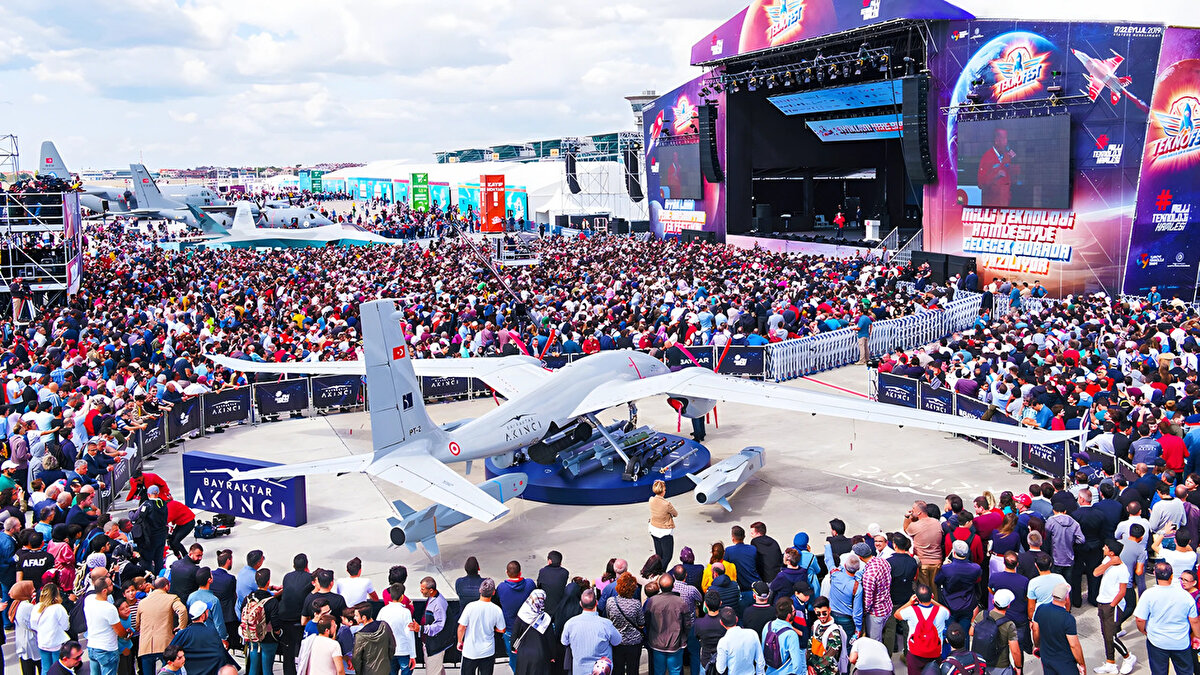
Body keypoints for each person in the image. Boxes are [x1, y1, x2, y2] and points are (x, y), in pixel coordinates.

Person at [1135, 562, 1200, 675]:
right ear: (1171, 576)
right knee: (1185, 672)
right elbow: (1194, 620)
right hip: (1181, 642)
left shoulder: (1148, 594)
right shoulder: (1185, 596)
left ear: (1155, 574)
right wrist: (1198, 636)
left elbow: (1140, 619)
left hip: (1157, 642)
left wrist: (1144, 631)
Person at [561, 588, 622, 675]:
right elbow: (617, 641)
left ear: (580, 604)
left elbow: (564, 642)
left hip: (579, 671)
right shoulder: (606, 624)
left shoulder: (570, 623)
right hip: (602, 671)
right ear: (596, 603)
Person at [1093, 539, 1132, 675]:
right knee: (1106, 635)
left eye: (1105, 547)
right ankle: (1111, 663)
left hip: (1112, 606)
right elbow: (1095, 573)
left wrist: (1112, 605)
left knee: (1111, 637)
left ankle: (1128, 657)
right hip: (1102, 602)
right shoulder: (1107, 561)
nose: (1103, 548)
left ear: (1111, 552)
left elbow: (1122, 591)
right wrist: (1109, 563)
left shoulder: (1123, 569)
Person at [137, 576, 188, 675]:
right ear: (167, 586)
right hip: (165, 645)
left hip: (145, 646)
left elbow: (137, 624)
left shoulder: (142, 602)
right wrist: (181, 628)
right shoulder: (172, 598)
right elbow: (182, 610)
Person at [168, 601, 236, 675]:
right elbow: (221, 654)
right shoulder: (212, 633)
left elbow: (170, 653)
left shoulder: (183, 634)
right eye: (206, 611)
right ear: (203, 616)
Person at [1032, 583, 1085, 675]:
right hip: (1065, 662)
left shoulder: (1040, 609)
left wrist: (1037, 646)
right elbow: (1074, 645)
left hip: (1046, 657)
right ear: (1067, 597)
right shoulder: (1068, 619)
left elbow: (1035, 630)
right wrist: (1081, 664)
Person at [894, 585, 948, 675]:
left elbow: (896, 614)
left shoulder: (910, 611)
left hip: (915, 653)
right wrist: (932, 600)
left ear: (917, 598)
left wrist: (909, 602)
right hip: (935, 652)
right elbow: (947, 612)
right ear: (931, 596)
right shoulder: (941, 611)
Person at [457, 578, 505, 675]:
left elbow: (462, 627)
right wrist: (493, 628)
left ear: (480, 590)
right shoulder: (497, 610)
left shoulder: (470, 607)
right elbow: (502, 629)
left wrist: (459, 641)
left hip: (470, 652)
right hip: (488, 652)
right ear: (493, 593)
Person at [969, 589, 1021, 675]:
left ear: (993, 602)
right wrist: (1018, 667)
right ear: (1008, 606)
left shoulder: (982, 615)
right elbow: (1015, 651)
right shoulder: (1009, 624)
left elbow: (971, 632)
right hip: (1001, 666)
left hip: (981, 662)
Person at [496, 560, 535, 670]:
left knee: (514, 659)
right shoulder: (530, 584)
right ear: (520, 572)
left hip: (510, 631)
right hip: (528, 629)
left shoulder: (502, 588)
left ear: (507, 573)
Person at [242, 568, 281, 675]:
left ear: (256, 581)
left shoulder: (248, 598)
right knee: (267, 670)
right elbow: (275, 621)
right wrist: (278, 632)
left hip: (253, 637)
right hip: (268, 638)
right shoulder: (272, 601)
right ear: (268, 581)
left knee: (253, 669)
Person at [604, 573, 644, 675]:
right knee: (633, 669)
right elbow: (641, 622)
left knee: (617, 669)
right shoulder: (636, 604)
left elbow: (609, 618)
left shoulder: (610, 602)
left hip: (617, 641)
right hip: (634, 642)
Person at [413, 576, 451, 675]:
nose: (420, 591)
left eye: (422, 589)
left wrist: (421, 629)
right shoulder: (432, 597)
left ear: (430, 590)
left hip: (435, 646)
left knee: (432, 672)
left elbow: (439, 626)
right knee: (437, 670)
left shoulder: (439, 604)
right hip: (430, 644)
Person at [512, 589, 555, 675]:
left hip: (524, 655)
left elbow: (515, 634)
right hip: (541, 655)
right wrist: (553, 656)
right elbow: (551, 640)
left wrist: (513, 647)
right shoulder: (545, 619)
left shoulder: (522, 614)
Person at [376, 583, 415, 675]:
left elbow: (378, 631)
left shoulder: (383, 611)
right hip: (404, 650)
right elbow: (409, 633)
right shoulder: (406, 612)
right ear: (402, 597)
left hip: (388, 650)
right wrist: (413, 655)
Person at [32, 582, 70, 675]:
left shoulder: (36, 607)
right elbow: (66, 626)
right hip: (56, 642)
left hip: (42, 641)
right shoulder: (58, 608)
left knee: (45, 668)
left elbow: (33, 625)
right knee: (58, 669)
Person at [978, 127, 1019, 207]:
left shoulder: (1009, 155)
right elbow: (981, 184)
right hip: (990, 205)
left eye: (1006, 138)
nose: (1005, 141)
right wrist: (995, 177)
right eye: (1003, 138)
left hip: (1005, 203)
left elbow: (1016, 178)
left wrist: (1014, 166)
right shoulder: (987, 157)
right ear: (996, 140)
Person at [351, 602, 395, 675]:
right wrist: (386, 661)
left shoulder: (360, 636)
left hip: (367, 671)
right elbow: (392, 647)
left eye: (356, 616)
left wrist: (359, 672)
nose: (354, 618)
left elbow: (356, 658)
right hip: (385, 669)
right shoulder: (384, 626)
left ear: (364, 617)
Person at [763, 598, 805, 675]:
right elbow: (797, 665)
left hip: (769, 671)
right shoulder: (791, 634)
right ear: (789, 616)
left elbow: (764, 650)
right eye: (793, 611)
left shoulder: (768, 626)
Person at [807, 597, 848, 675]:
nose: (821, 616)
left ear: (829, 610)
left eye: (824, 612)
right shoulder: (816, 624)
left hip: (828, 672)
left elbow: (829, 657)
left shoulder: (834, 632)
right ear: (815, 611)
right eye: (818, 613)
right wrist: (809, 664)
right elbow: (810, 645)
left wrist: (814, 669)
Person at [11, 580, 38, 675]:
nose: (34, 590)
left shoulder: (16, 603)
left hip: (22, 643)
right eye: (31, 589)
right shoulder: (27, 607)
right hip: (31, 643)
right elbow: (35, 624)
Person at [648, 480, 678, 566]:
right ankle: (660, 573)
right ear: (662, 491)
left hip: (653, 529)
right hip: (664, 531)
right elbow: (675, 514)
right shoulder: (666, 504)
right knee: (667, 556)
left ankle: (657, 571)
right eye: (665, 490)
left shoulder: (651, 500)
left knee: (659, 555)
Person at [537, 550, 570, 615]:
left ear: (549, 561)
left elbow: (539, 586)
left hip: (545, 607)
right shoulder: (565, 573)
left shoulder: (543, 571)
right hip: (559, 606)